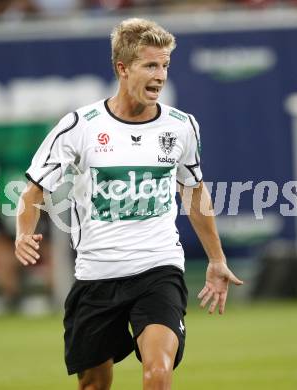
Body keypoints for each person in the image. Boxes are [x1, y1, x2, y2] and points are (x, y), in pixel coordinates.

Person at [15, 18, 243, 390]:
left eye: (165, 65)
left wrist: (217, 259)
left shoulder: (181, 126)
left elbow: (194, 191)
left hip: (158, 269)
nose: (161, 75)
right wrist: (24, 232)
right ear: (123, 68)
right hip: (96, 276)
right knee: (94, 385)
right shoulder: (80, 126)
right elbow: (32, 191)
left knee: (158, 372)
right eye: (150, 65)